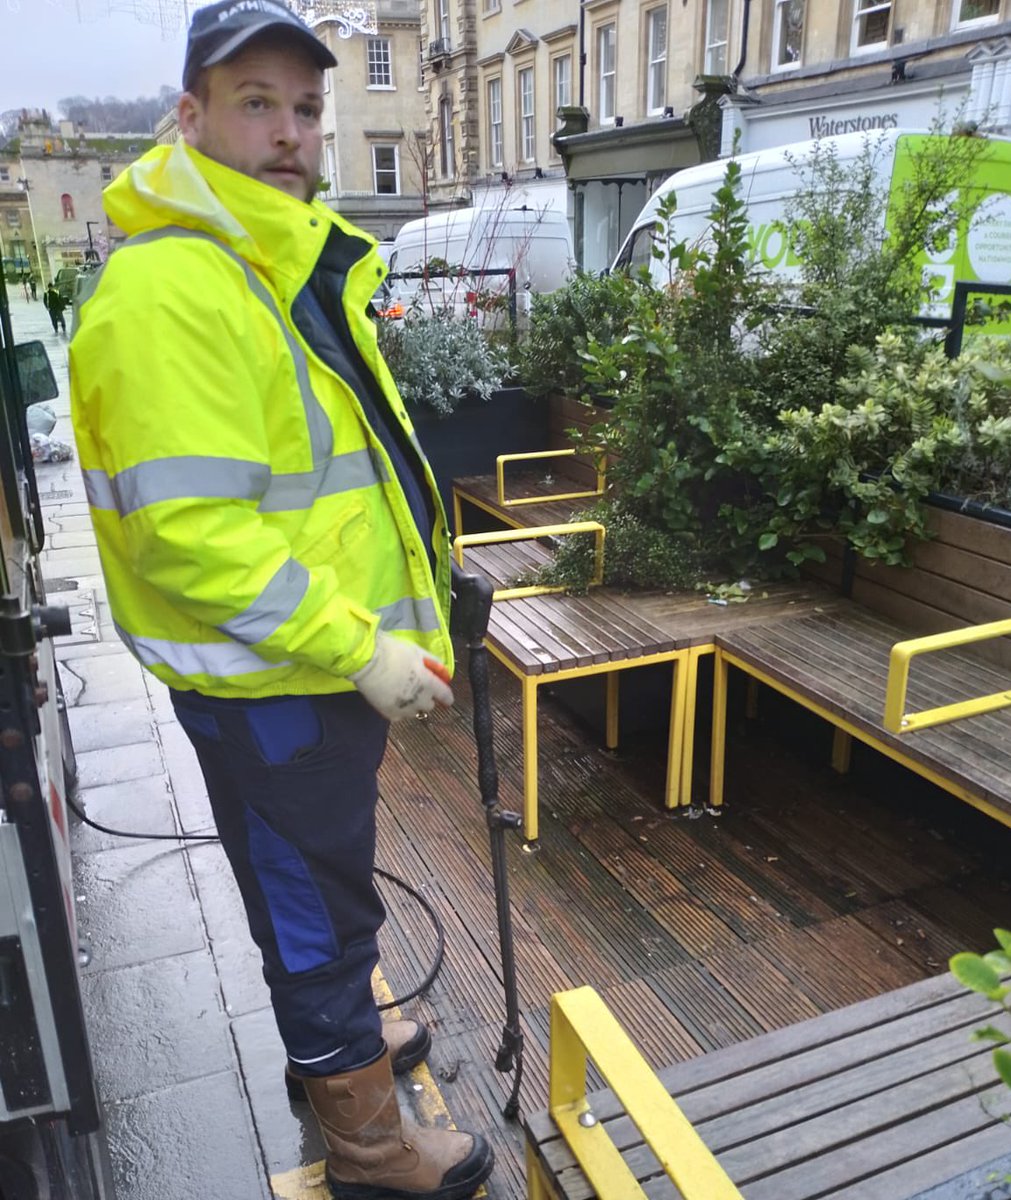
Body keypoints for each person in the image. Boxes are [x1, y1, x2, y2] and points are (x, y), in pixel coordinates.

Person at [69, 4, 494, 1199]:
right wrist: (358, 647)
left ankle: (349, 1055)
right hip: (281, 681)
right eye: (256, 102)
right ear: (191, 116)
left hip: (301, 676)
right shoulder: (178, 290)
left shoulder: (266, 261)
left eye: (307, 107)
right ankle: (367, 1147)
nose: (291, 131)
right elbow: (197, 534)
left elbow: (329, 476)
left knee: (308, 888)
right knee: (318, 915)